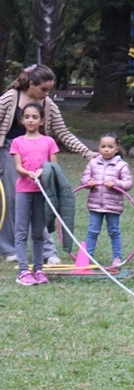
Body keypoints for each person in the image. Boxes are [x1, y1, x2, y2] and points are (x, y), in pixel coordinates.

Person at [0, 64, 97, 263]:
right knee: (12, 199)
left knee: (42, 199)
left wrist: (86, 152)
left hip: (38, 152)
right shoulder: (11, 98)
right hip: (10, 150)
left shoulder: (48, 105)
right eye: (43, 89)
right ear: (31, 84)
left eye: (49, 90)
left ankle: (47, 251)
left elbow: (63, 132)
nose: (46, 94)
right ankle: (9, 249)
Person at [10, 102, 59, 285]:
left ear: (42, 121)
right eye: (27, 117)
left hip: (42, 192)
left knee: (39, 232)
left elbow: (54, 166)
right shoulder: (17, 142)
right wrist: (28, 173)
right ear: (22, 120)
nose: (31, 120)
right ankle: (23, 271)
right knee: (21, 231)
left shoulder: (49, 142)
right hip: (24, 191)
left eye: (35, 117)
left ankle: (39, 269)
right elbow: (18, 167)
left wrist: (43, 171)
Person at [81, 133, 133, 268]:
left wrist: (115, 183)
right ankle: (87, 257)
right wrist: (88, 182)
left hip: (113, 205)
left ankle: (117, 258)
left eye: (110, 147)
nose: (106, 149)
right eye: (103, 146)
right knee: (92, 231)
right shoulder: (93, 163)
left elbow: (128, 183)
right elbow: (84, 178)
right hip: (95, 204)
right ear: (99, 148)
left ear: (116, 149)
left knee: (114, 231)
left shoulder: (121, 165)